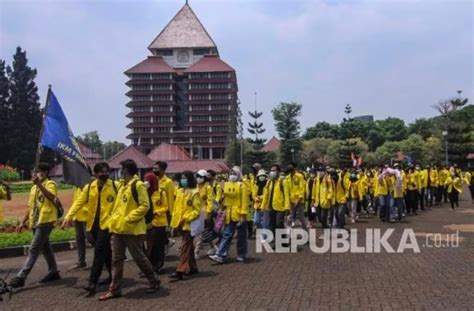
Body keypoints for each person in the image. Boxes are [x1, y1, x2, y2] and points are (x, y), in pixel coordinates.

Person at [99, 160, 160, 301]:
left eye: (122, 169)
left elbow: (145, 206)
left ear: (126, 170)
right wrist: (113, 221)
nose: (120, 171)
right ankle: (115, 289)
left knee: (139, 257)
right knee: (116, 260)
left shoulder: (138, 186)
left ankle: (153, 280)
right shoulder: (122, 186)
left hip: (132, 229)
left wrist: (129, 218)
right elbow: (118, 207)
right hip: (118, 229)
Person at [63, 162, 119, 296]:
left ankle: (92, 283)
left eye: (106, 171)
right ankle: (112, 276)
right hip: (92, 224)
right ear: (95, 174)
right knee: (105, 252)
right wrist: (68, 217)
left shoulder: (116, 186)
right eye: (101, 172)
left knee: (99, 251)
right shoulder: (89, 188)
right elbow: (79, 203)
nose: (104, 174)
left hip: (107, 225)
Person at [9, 163, 61, 288]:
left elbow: (51, 196)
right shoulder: (33, 188)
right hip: (35, 221)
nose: (39, 173)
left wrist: (39, 184)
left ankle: (21, 277)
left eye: (42, 171)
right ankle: (53, 271)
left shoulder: (50, 184)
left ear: (47, 173)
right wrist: (23, 222)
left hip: (46, 220)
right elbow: (30, 207)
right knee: (45, 248)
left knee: (33, 249)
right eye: (37, 171)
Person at [209, 166, 249, 264]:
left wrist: (243, 215)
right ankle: (221, 255)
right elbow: (223, 198)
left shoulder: (241, 186)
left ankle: (241, 254)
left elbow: (244, 201)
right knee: (226, 234)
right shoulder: (225, 185)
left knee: (241, 236)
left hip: (239, 213)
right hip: (228, 213)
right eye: (230, 173)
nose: (232, 175)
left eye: (234, 173)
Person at [169, 171, 202, 281]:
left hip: (189, 225)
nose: (183, 180)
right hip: (180, 224)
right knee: (188, 247)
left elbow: (197, 211)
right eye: (181, 178)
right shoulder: (179, 192)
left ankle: (180, 270)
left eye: (185, 178)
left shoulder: (194, 193)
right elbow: (176, 209)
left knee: (184, 247)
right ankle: (193, 267)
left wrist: (186, 218)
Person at [144, 172, 168, 273]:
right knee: (149, 246)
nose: (146, 182)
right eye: (145, 179)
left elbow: (165, 207)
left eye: (148, 180)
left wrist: (156, 212)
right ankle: (149, 267)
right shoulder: (144, 193)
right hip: (148, 223)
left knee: (158, 246)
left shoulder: (161, 193)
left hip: (159, 223)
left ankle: (158, 265)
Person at [260, 165, 290, 244]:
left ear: (278, 172)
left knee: (279, 224)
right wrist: (263, 206)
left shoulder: (283, 181)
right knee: (272, 225)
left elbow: (286, 196)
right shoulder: (269, 182)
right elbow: (266, 195)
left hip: (280, 207)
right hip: (270, 207)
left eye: (274, 170)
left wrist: (287, 208)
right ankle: (277, 241)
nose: (272, 172)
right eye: (271, 170)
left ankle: (282, 240)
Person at [194, 169, 214, 259]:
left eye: (201, 177)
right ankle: (213, 247)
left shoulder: (208, 188)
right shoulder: (195, 186)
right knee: (204, 232)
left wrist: (208, 213)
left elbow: (210, 201)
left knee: (200, 233)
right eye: (198, 176)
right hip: (195, 212)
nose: (199, 178)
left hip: (204, 212)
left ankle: (196, 252)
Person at [68, 186, 88, 271]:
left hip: (86, 216)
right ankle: (81, 262)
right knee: (79, 239)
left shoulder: (87, 185)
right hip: (77, 217)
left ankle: (105, 258)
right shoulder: (76, 187)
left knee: (93, 239)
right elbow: (75, 202)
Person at [286, 163, 307, 229]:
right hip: (291, 200)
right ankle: (289, 233)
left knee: (301, 217)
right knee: (290, 216)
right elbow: (287, 190)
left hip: (299, 201)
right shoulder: (287, 178)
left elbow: (302, 189)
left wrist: (298, 200)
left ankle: (305, 231)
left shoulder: (299, 176)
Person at [253, 169, 268, 240]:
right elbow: (253, 194)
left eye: (263, 176)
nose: (262, 177)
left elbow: (267, 194)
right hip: (257, 205)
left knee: (265, 222)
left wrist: (261, 197)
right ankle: (263, 231)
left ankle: (264, 236)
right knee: (256, 221)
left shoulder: (267, 184)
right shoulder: (256, 185)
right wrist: (256, 198)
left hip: (265, 206)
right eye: (260, 176)